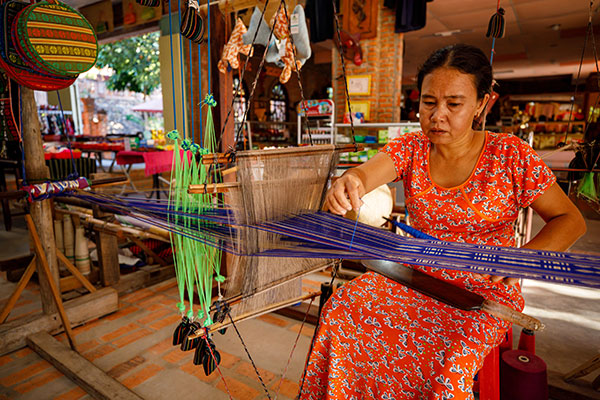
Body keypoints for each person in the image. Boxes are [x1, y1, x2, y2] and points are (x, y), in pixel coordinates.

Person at [299, 44, 586, 399]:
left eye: (454, 104)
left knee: (449, 361)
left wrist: (525, 258)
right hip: (414, 275)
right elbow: (366, 173)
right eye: (429, 102)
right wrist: (351, 181)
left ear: (482, 104)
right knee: (341, 311)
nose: (438, 116)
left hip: (483, 288)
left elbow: (570, 220)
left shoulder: (510, 155)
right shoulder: (412, 148)